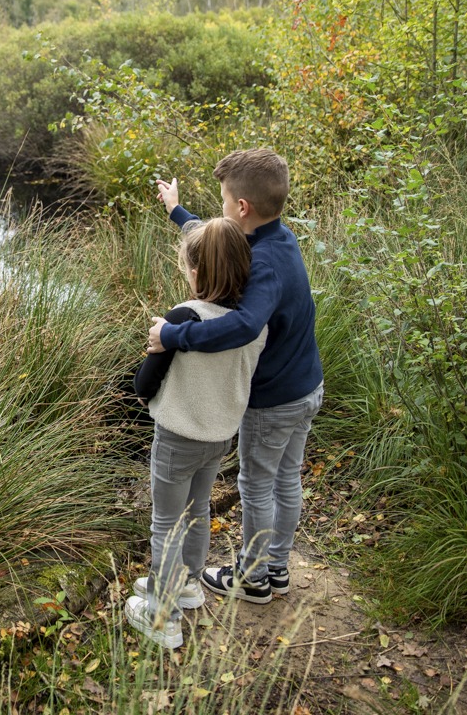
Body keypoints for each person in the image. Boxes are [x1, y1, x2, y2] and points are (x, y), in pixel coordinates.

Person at [148, 148, 324, 605]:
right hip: (307, 386)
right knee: (287, 479)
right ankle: (277, 568)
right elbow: (218, 242)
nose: (222, 210)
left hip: (274, 399)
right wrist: (176, 211)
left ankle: (253, 576)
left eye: (224, 201)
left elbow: (245, 325)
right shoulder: (277, 241)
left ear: (241, 207)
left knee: (258, 484)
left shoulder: (261, 264)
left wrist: (175, 334)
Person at [126, 217, 268, 649]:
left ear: (196, 272)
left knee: (166, 522)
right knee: (198, 511)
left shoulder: (184, 318)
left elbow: (144, 383)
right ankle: (186, 584)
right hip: (219, 438)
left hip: (177, 438)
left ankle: (161, 615)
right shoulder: (252, 324)